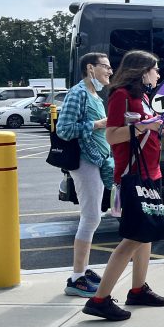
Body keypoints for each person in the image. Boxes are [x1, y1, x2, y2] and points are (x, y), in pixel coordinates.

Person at [82, 50, 164, 321]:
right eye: (155, 69)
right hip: (132, 173)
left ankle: (138, 289)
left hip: (150, 171)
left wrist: (160, 127)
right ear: (142, 70)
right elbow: (112, 135)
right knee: (133, 237)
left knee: (144, 233)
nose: (157, 75)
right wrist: (145, 127)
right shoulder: (121, 95)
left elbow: (146, 125)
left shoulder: (144, 96)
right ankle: (99, 299)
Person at [55, 53, 115, 297]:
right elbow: (64, 129)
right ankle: (77, 278)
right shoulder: (78, 93)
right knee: (90, 217)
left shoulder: (94, 95)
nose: (110, 71)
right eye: (106, 67)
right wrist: (98, 125)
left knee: (93, 217)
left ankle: (83, 271)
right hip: (84, 161)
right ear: (90, 68)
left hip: (96, 160)